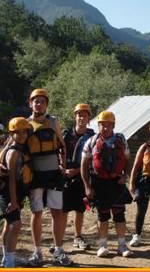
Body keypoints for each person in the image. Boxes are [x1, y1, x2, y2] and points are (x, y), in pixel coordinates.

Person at [81, 111, 133, 257]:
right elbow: (84, 165)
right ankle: (103, 246)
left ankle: (122, 246)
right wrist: (87, 186)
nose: (106, 128)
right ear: (98, 125)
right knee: (102, 215)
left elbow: (128, 159)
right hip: (99, 183)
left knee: (119, 214)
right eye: (103, 124)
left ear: (113, 125)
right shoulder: (91, 142)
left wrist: (125, 175)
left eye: (109, 124)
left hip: (117, 182)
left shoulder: (121, 139)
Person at [0, 117, 32, 267]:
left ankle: (6, 258)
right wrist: (13, 200)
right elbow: (11, 179)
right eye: (18, 132)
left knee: (9, 224)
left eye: (25, 132)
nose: (23, 135)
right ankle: (10, 263)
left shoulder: (18, 146)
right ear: (12, 134)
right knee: (16, 225)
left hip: (13, 193)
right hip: (8, 194)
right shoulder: (14, 152)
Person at [60, 103, 95, 251]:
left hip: (83, 177)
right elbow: (59, 151)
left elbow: (94, 158)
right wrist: (61, 168)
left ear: (88, 118)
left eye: (85, 115)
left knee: (80, 209)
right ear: (75, 117)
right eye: (79, 115)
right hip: (65, 176)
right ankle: (58, 241)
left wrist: (76, 171)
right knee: (63, 210)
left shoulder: (92, 136)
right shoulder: (66, 134)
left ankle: (77, 237)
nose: (81, 117)